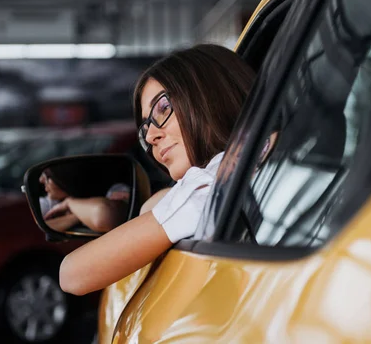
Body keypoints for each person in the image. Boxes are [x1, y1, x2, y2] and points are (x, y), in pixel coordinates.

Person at [57, 44, 255, 296]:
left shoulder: (210, 185)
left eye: (163, 108)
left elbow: (72, 274)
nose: (150, 136)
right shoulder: (260, 157)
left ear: (209, 95)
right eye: (145, 126)